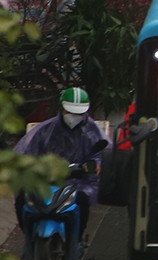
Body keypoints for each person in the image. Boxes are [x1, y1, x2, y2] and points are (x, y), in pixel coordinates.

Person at [13, 87, 109, 246]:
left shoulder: (92, 130)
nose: (74, 117)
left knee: (83, 202)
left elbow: (102, 152)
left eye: (79, 113)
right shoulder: (45, 129)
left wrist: (95, 165)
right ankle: (29, 241)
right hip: (45, 180)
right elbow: (26, 152)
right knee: (22, 198)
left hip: (77, 182)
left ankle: (76, 240)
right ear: (61, 109)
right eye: (70, 112)